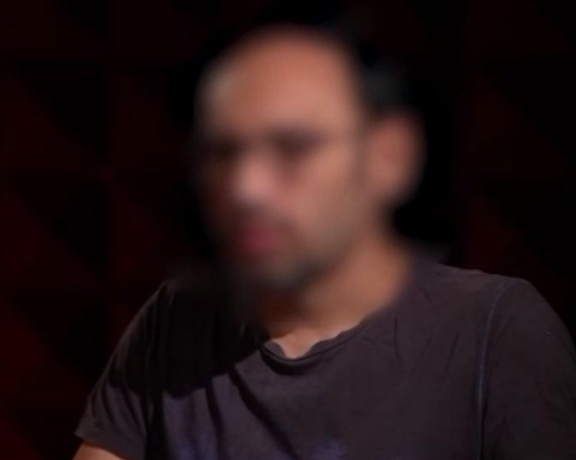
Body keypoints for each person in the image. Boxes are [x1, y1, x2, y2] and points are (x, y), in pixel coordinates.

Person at [72, 21, 576, 460]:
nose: (246, 188)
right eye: (225, 152)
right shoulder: (176, 319)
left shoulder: (495, 330)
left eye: (292, 147)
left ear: (388, 156)